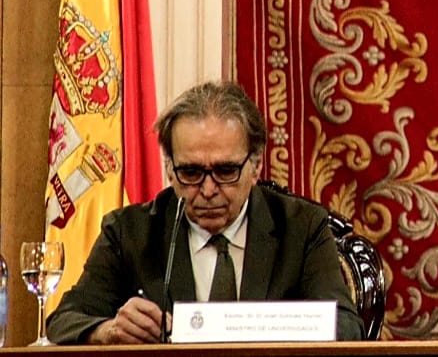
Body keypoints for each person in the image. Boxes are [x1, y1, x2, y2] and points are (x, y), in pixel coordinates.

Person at [47, 81, 363, 344]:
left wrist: (262, 326)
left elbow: (347, 327)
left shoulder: (302, 227)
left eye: (226, 171)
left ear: (255, 166)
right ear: (169, 169)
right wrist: (108, 331)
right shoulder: (129, 232)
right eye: (191, 172)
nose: (208, 190)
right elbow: (64, 321)